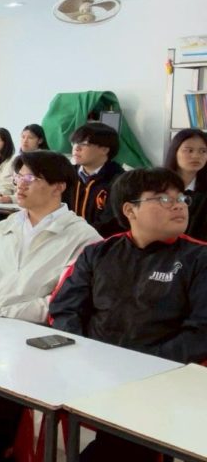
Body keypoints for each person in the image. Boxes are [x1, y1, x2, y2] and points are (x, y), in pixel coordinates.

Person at [50, 168, 207, 462]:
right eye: (163, 198)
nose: (178, 205)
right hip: (93, 373)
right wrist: (83, 357)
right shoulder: (98, 253)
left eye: (181, 198)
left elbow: (201, 333)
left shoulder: (198, 258)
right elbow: (65, 309)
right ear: (129, 210)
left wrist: (140, 367)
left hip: (161, 381)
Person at [0, 151, 100, 461]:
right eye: (18, 177)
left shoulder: (83, 237)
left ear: (58, 186)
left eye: (30, 178)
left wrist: (2, 315)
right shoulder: (4, 226)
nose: (19, 185)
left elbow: (64, 301)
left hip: (35, 339)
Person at [69, 122, 124, 237]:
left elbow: (111, 221)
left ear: (104, 149)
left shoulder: (120, 181)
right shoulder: (66, 175)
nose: (76, 148)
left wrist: (79, 236)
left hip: (101, 242)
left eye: (84, 144)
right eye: (75, 143)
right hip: (66, 240)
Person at [165, 128, 207, 241]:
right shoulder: (157, 186)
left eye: (203, 151)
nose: (196, 156)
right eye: (189, 150)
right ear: (175, 152)